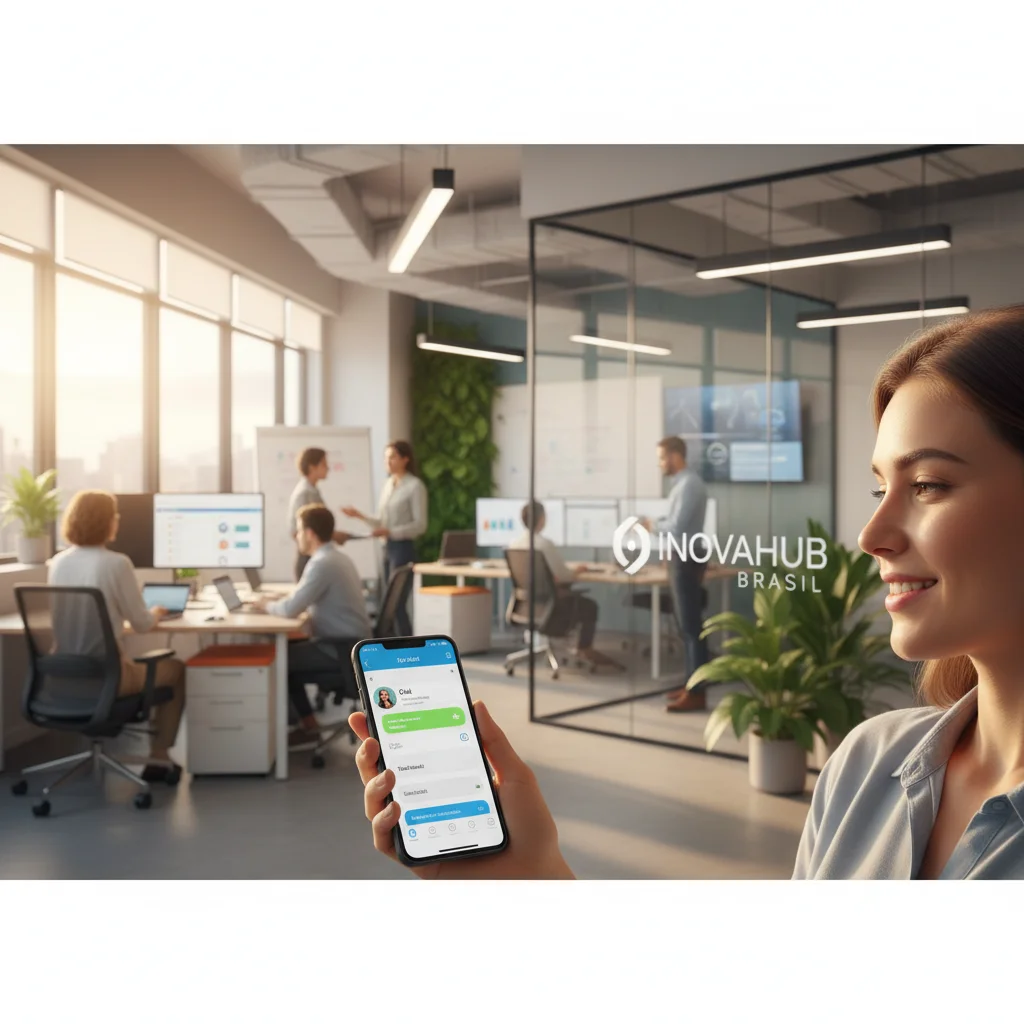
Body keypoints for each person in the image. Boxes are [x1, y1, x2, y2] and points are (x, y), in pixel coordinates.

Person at [48, 490, 186, 778]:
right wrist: (157, 612)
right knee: (175, 669)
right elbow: (142, 624)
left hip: (63, 676)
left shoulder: (58, 562)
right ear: (108, 522)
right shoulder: (116, 563)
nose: (118, 521)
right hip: (110, 677)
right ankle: (159, 759)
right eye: (116, 517)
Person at [254, 503, 372, 744]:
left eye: (298, 530)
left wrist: (263, 605)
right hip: (350, 645)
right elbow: (301, 598)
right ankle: (306, 725)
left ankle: (301, 729)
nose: (296, 536)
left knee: (280, 660)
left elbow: (289, 609)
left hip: (341, 650)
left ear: (310, 533)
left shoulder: (321, 563)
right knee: (289, 655)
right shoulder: (336, 557)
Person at [508, 500, 621, 670]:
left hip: (525, 606)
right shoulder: (544, 544)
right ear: (541, 519)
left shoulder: (514, 545)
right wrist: (578, 571)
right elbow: (564, 576)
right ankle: (585, 649)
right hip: (550, 608)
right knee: (590, 606)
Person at [645, 436, 710, 712]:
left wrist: (651, 524)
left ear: (675, 456)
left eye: (662, 457)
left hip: (685, 559)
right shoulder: (682, 485)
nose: (660, 463)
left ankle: (697, 693)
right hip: (679, 557)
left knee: (692, 629)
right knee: (687, 628)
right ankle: (690, 685)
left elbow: (678, 527)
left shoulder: (689, 485)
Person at [342, 440, 427, 636]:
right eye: (386, 457)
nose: (388, 461)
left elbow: (420, 525)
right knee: (385, 603)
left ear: (405, 459)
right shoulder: (389, 484)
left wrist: (391, 532)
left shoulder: (415, 486)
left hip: (403, 548)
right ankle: (389, 649)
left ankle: (409, 649)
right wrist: (359, 515)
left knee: (396, 604)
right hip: (387, 548)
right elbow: (381, 521)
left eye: (392, 457)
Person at [288, 447, 350, 581]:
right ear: (312, 467)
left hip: (314, 556)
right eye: (324, 464)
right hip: (308, 558)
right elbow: (299, 530)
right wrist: (333, 535)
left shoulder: (313, 491)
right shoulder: (304, 493)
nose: (328, 468)